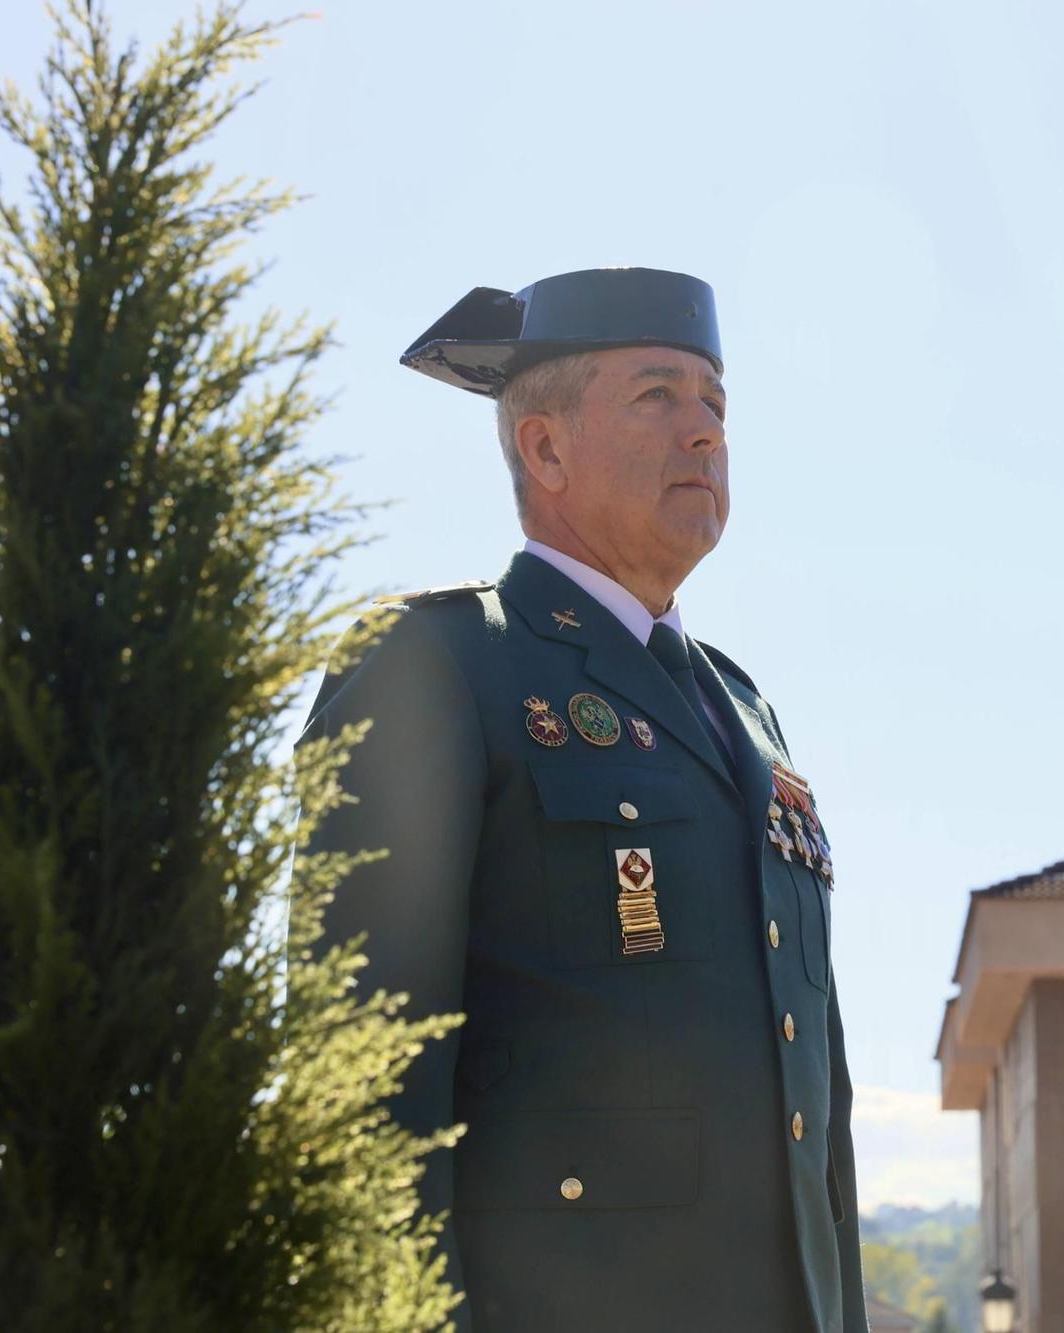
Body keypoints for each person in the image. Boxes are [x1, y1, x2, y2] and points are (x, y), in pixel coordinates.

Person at [301, 268, 864, 1331]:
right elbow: (364, 1083)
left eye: (716, 401)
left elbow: (814, 1108)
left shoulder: (744, 711)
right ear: (545, 448)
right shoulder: (440, 666)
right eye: (657, 395)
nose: (704, 431)